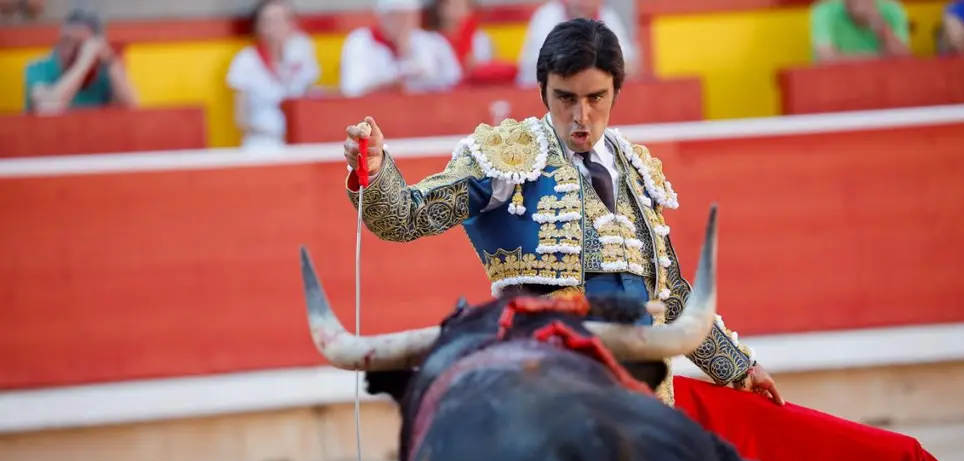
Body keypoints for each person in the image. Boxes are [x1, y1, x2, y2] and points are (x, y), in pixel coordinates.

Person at [341, 18, 781, 407]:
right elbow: (408, 217)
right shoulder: (510, 157)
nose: (581, 116)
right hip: (547, 386)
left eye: (596, 97)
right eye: (565, 98)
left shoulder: (638, 170)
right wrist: (376, 173)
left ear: (616, 91)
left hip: (644, 394)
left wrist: (738, 368)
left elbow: (670, 296)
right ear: (542, 91)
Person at [226, 0, 321, 149]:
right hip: (263, 139)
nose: (277, 26)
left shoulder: (302, 52)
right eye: (270, 21)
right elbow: (241, 120)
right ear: (258, 26)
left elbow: (311, 98)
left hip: (302, 137)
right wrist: (276, 134)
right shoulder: (246, 60)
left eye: (284, 19)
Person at [338, 0, 462, 98]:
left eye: (409, 16)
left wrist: (407, 51)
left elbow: (454, 83)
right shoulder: (360, 42)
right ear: (382, 17)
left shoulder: (434, 42)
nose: (404, 22)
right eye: (396, 16)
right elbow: (352, 92)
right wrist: (389, 85)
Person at [23, 8, 137, 114]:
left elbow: (132, 111)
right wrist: (83, 63)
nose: (68, 50)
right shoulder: (39, 68)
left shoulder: (103, 72)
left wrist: (111, 62)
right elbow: (47, 110)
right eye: (65, 41)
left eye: (78, 44)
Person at [515, 0, 637, 88]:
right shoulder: (547, 15)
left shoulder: (608, 16)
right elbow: (546, 65)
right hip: (540, 94)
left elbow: (627, 64)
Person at [810, 0, 912, 61]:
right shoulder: (824, 11)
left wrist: (876, 20)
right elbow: (827, 59)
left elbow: (903, 58)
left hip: (881, 82)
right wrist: (880, 57)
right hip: (837, 83)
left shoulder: (892, 10)